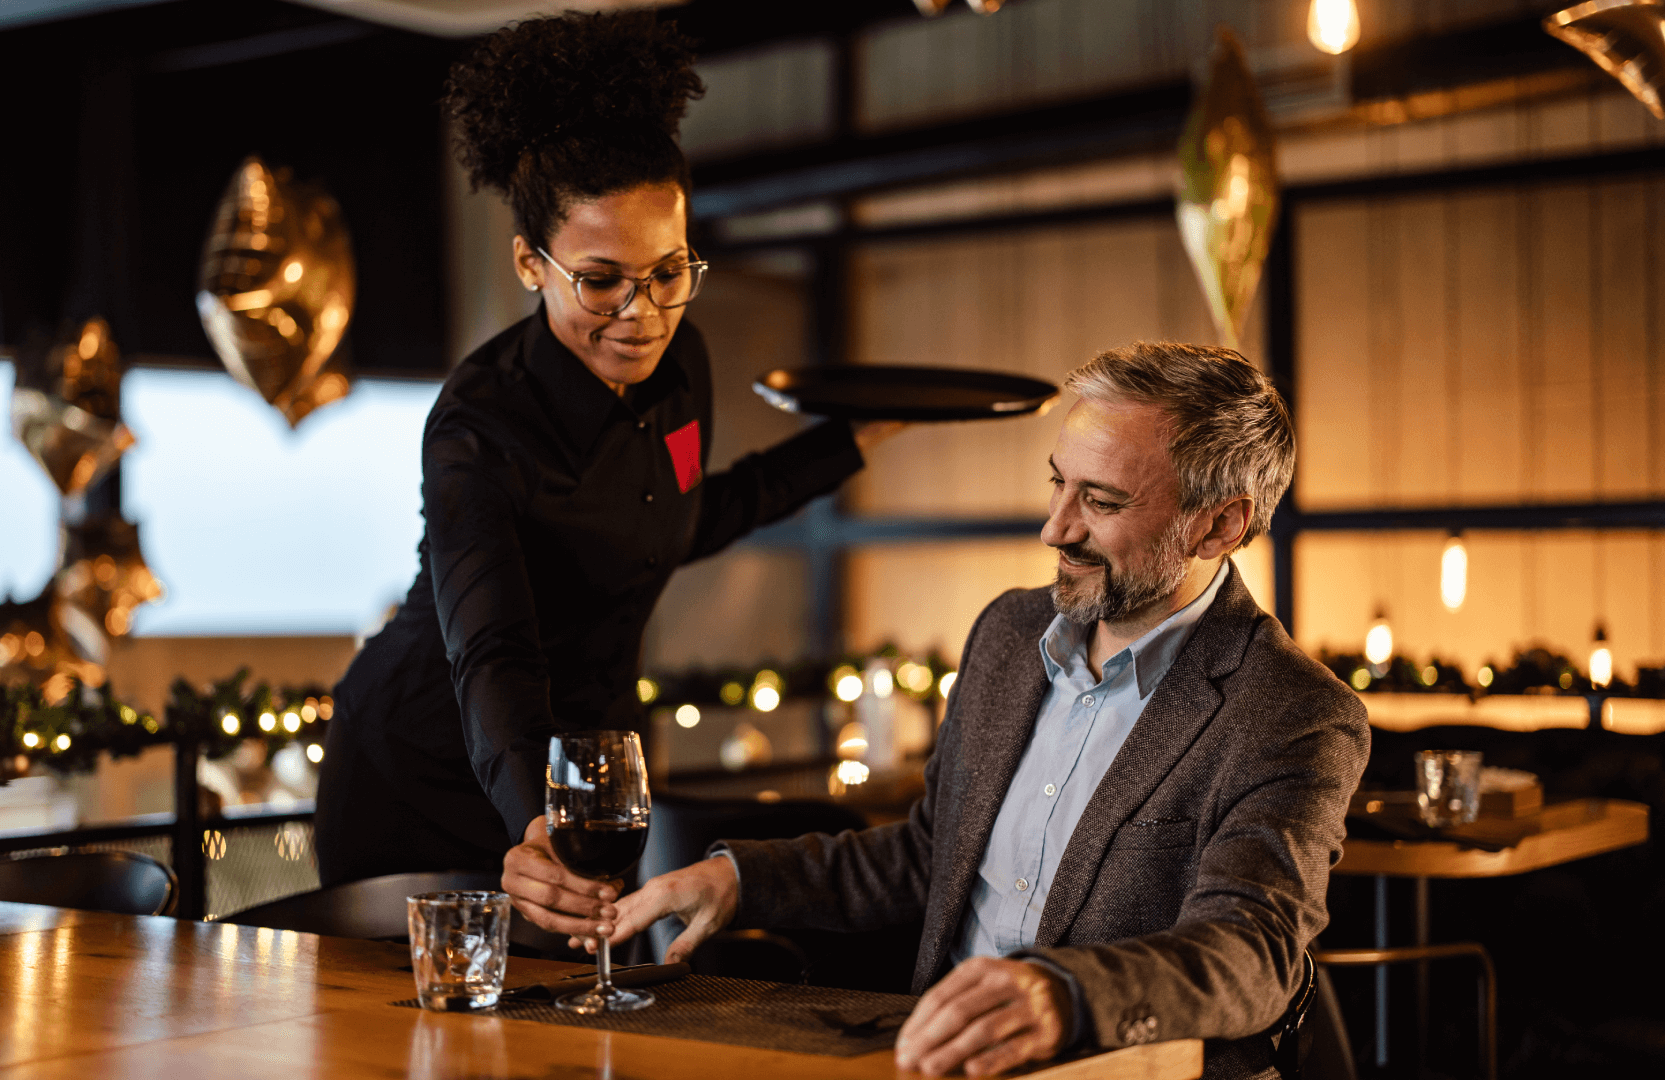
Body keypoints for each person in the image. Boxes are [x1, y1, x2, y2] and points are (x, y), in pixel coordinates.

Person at [504, 342, 1371, 1080]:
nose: (1055, 528)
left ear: (1219, 526)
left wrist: (1065, 996)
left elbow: (1252, 951)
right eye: (1058, 485)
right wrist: (738, 880)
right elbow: (930, 854)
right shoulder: (1009, 633)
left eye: (1102, 502)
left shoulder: (1292, 712)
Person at [314, 12, 893, 886]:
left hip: (592, 765)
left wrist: (851, 441)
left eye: (668, 273)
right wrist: (535, 818)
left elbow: (683, 521)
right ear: (530, 264)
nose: (642, 314)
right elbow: (493, 648)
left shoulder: (682, 365)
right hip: (426, 767)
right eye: (599, 281)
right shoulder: (480, 424)